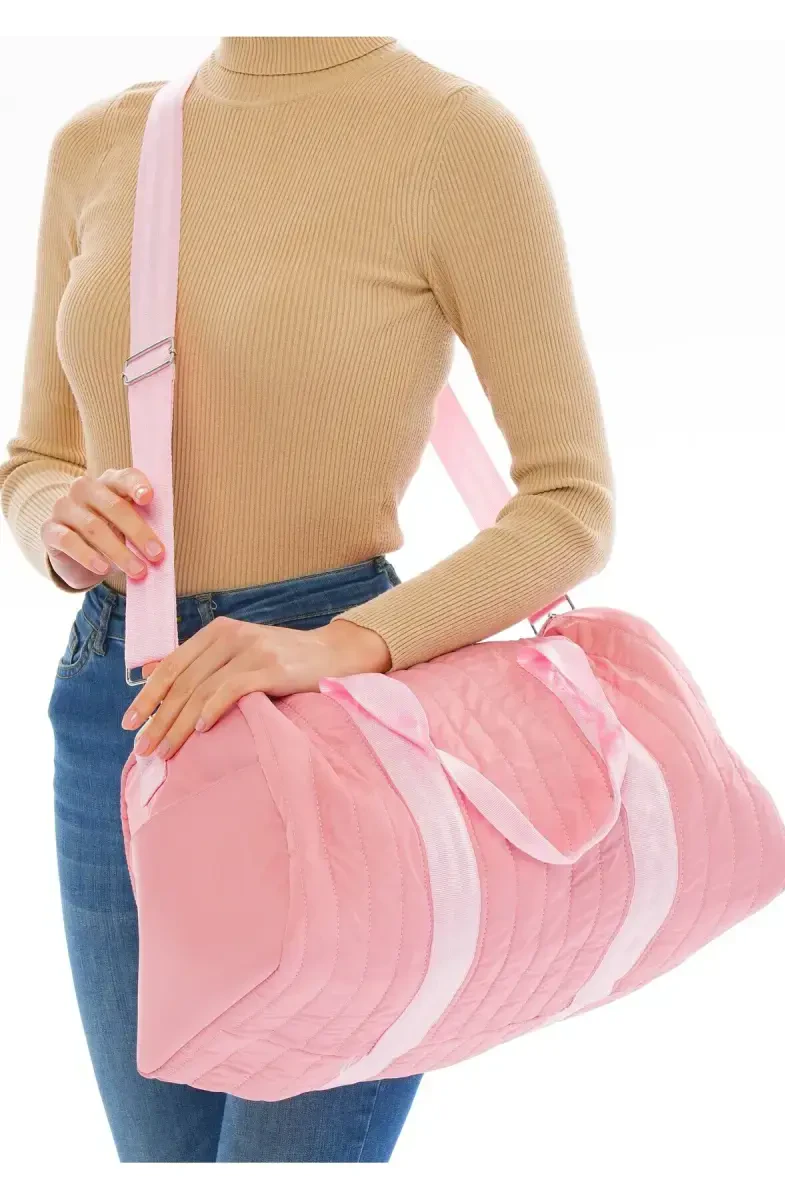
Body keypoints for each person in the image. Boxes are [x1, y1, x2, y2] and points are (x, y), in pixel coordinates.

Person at [0, 37, 614, 1162]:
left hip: (340, 718)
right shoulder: (101, 142)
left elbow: (569, 508)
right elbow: (35, 456)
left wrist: (336, 645)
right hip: (117, 708)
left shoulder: (454, 138)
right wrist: (58, 518)